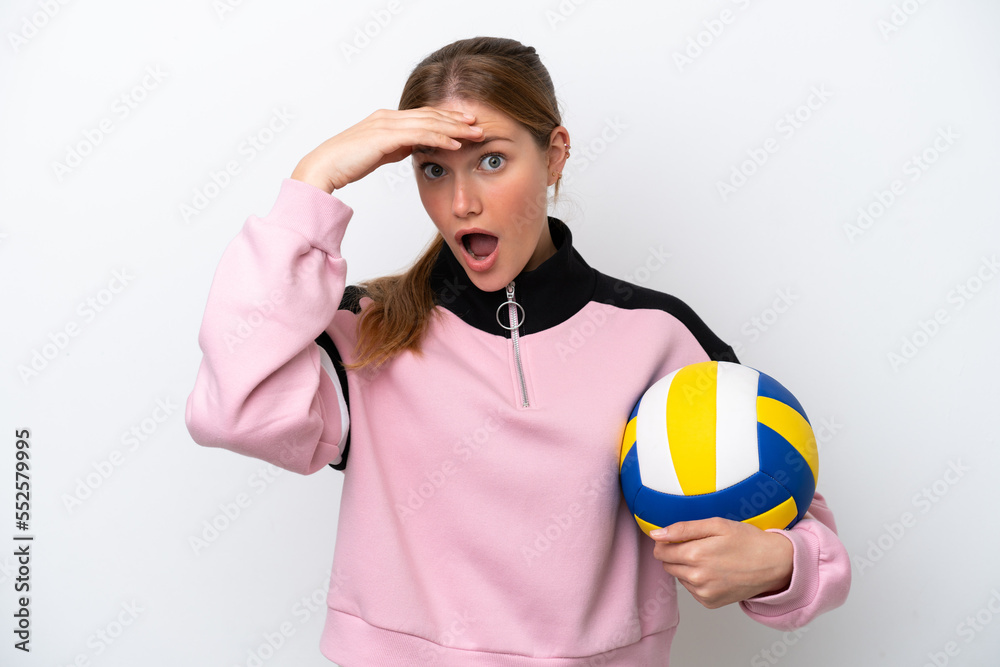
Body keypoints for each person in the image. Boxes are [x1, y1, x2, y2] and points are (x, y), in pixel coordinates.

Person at [185, 36, 850, 666]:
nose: (461, 202)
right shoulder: (368, 331)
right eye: (433, 170)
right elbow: (233, 409)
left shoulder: (659, 334)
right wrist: (313, 184)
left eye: (491, 161)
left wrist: (778, 563)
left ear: (555, 155)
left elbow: (804, 526)